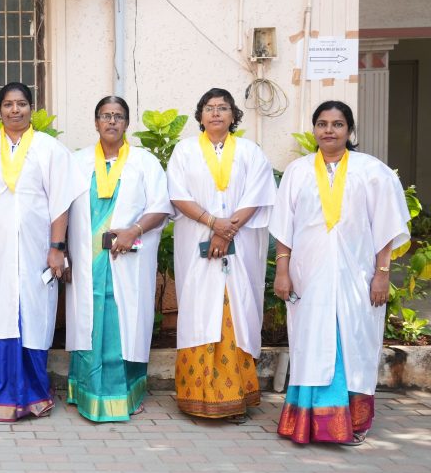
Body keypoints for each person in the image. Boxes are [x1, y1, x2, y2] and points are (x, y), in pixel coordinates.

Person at [271, 101, 409, 446]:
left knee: (354, 341)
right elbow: (284, 228)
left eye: (337, 124)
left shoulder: (372, 171)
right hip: (308, 276)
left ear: (350, 130)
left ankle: (353, 422)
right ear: (314, 129)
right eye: (322, 124)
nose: (329, 130)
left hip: (356, 276)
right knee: (310, 342)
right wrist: (282, 271)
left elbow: (386, 228)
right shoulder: (298, 171)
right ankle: (308, 424)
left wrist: (382, 274)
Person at [0, 82, 85, 422]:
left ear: (31, 109)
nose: (15, 110)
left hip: (37, 250)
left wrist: (57, 247)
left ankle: (34, 395)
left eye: (21, 103)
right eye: (8, 104)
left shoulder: (50, 149)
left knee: (34, 316)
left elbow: (60, 202)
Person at [167, 88, 276, 422]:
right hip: (196, 246)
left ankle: (236, 398)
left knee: (236, 312)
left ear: (233, 115)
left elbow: (257, 194)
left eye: (223, 108)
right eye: (209, 108)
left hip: (240, 249)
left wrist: (226, 231)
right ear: (200, 115)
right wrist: (214, 224)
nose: (216, 113)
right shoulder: (185, 151)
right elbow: (177, 195)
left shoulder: (250, 152)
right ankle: (195, 397)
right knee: (199, 312)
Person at [65, 96, 171, 422]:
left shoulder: (144, 162)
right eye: (106, 115)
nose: (112, 121)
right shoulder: (77, 162)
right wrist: (62, 250)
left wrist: (134, 230)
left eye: (118, 116)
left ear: (127, 123)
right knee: (89, 322)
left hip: (129, 261)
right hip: (87, 263)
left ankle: (124, 395)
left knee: (124, 325)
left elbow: (160, 207)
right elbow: (60, 209)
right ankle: (85, 392)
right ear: (96, 122)